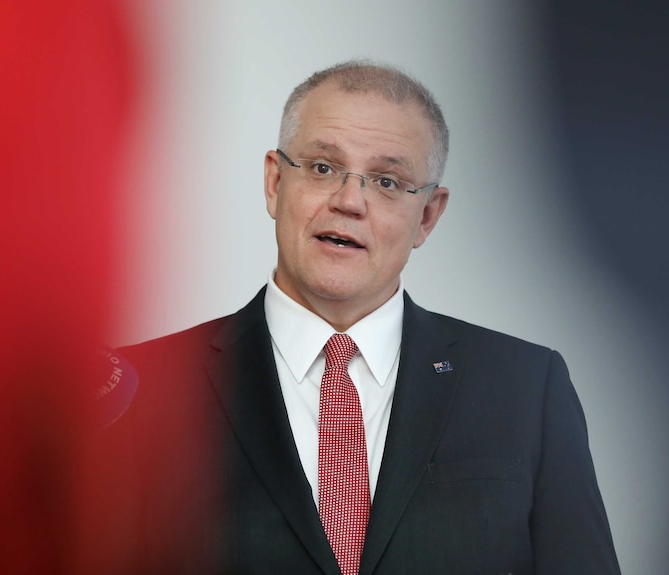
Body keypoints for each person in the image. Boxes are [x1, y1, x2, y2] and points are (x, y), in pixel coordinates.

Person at [118, 60, 621, 574]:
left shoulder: (526, 388)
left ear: (428, 215)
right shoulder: (143, 391)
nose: (349, 201)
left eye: (386, 181)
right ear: (274, 182)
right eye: (322, 168)